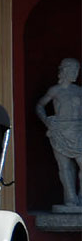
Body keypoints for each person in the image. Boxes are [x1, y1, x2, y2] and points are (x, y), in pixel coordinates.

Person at [36, 58, 82, 209]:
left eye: (77, 70)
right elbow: (40, 106)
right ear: (65, 71)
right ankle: (70, 198)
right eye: (73, 70)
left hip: (77, 130)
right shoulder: (55, 90)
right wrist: (46, 120)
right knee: (65, 166)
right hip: (60, 131)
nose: (76, 73)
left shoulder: (79, 91)